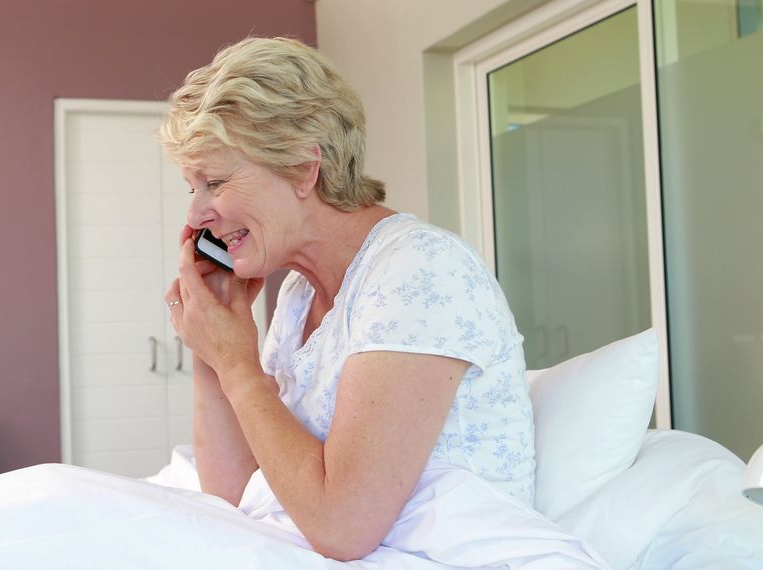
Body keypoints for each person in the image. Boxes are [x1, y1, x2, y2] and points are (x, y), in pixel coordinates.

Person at [160, 36, 535, 562]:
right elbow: (233, 493)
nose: (196, 215)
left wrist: (238, 366)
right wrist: (211, 338)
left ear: (301, 168)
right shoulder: (298, 294)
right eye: (190, 188)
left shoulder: (419, 269)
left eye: (214, 181)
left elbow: (344, 527)